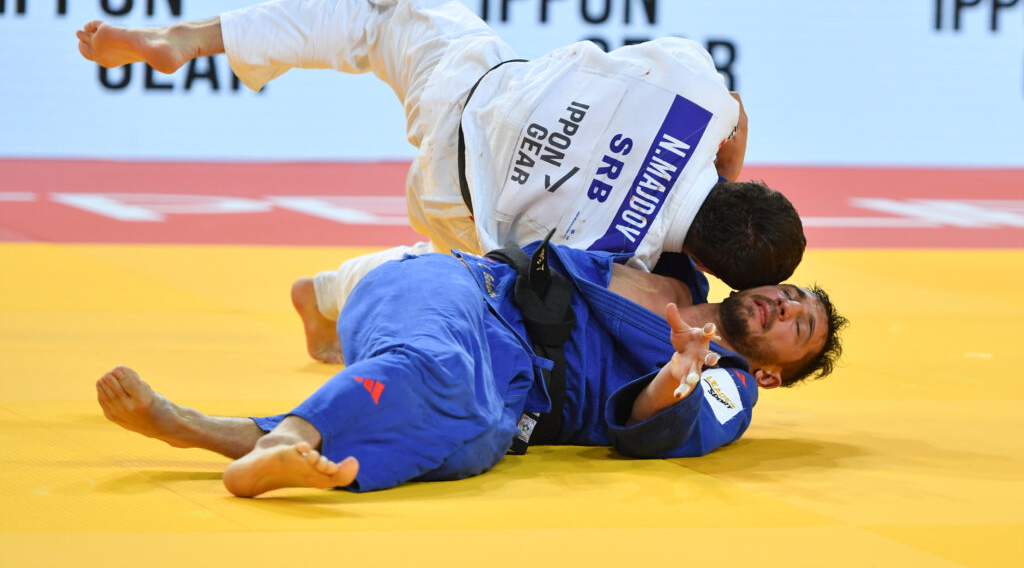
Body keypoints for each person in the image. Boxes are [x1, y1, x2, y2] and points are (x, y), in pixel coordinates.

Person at [77, 0, 806, 361]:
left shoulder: (699, 89)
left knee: (379, 9)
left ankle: (190, 38)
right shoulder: (629, 260)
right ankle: (330, 291)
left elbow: (735, 114)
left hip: (469, 92)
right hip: (456, 201)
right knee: (454, 268)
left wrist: (718, 158)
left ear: (748, 184)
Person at [96, 240, 846, 497]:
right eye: (785, 295)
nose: (782, 308)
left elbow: (652, 428)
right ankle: (286, 435)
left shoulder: (728, 385)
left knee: (465, 427)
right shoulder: (674, 265)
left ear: (776, 373)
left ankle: (232, 436)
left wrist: (676, 371)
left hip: (511, 386)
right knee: (432, 358)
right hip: (463, 285)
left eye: (797, 323)